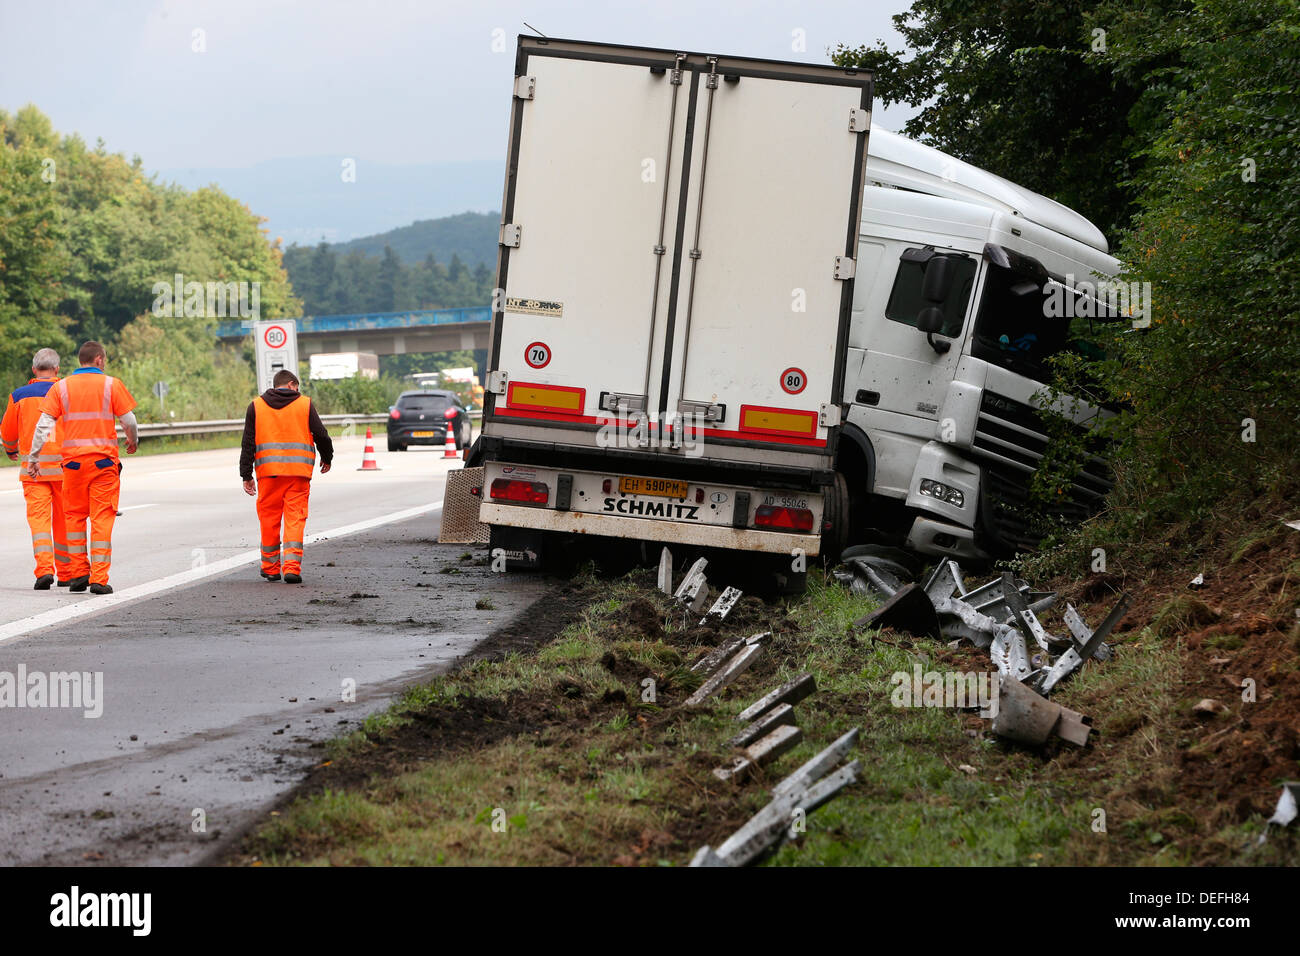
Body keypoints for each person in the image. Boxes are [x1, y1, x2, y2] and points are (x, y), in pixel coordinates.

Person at [27, 341, 138, 595]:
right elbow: (128, 420)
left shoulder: (62, 387)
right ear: (99, 359)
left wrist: (34, 458)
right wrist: (132, 440)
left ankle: (78, 575)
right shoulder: (112, 384)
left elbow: (44, 425)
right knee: (101, 518)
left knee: (74, 518)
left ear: (80, 360)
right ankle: (99, 578)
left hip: (73, 465)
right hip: (103, 465)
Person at [240, 369, 333, 583]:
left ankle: (271, 568)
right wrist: (327, 458)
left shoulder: (256, 406)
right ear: (291, 384)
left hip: (268, 475)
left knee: (269, 520)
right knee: (295, 519)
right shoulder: (304, 404)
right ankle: (291, 569)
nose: (298, 392)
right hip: (298, 475)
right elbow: (322, 435)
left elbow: (248, 442)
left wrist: (246, 474)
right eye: (297, 388)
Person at [2, 348, 69, 589]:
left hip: (34, 470)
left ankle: (44, 571)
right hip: (65, 470)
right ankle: (68, 572)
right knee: (65, 521)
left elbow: (7, 432)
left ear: (33, 370)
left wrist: (11, 450)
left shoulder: (19, 396)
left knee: (39, 522)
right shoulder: (67, 392)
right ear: (57, 369)